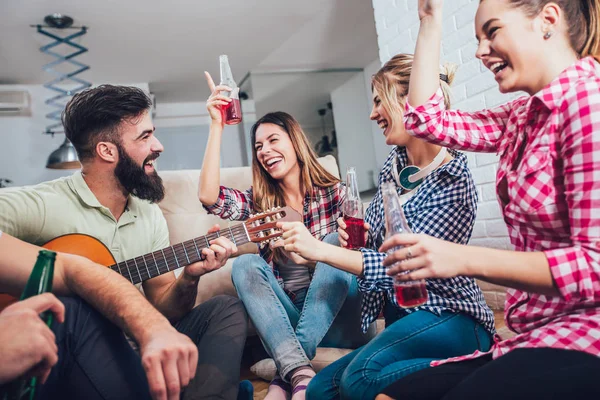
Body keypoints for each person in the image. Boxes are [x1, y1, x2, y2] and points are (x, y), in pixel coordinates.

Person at [375, 1, 600, 399]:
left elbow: (594, 265)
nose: (480, 51)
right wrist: (430, 20)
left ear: (548, 20)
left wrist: (460, 258)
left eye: (492, 32)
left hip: (586, 333)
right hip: (535, 332)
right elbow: (425, 121)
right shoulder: (521, 116)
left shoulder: (589, 103)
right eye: (478, 39)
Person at [0, 85, 248, 400]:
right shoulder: (42, 204)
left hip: (136, 344)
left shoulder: (149, 214)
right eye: (145, 137)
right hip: (77, 350)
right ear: (107, 151)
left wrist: (189, 276)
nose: (158, 146)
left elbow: (163, 306)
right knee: (75, 306)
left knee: (225, 308)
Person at [274, 53, 495, 400]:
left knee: (358, 380)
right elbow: (377, 247)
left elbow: (404, 267)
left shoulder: (454, 181)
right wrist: (350, 243)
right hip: (401, 318)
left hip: (450, 315)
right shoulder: (395, 163)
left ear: (413, 101)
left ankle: (480, 364)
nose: (373, 113)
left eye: (379, 101)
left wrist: (320, 250)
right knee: (318, 391)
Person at [198, 73, 374, 400]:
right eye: (258, 146)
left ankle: (285, 372)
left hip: (345, 321)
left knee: (334, 244)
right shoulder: (259, 203)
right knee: (245, 263)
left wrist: (316, 251)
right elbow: (210, 197)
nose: (264, 151)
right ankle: (300, 372)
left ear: (295, 141)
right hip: (290, 321)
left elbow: (366, 265)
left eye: (273, 140)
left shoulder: (336, 193)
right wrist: (216, 126)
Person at [0, 231, 197, 400]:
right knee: (74, 314)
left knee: (220, 306)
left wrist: (155, 329)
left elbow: (70, 269)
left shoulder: (150, 217)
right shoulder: (39, 201)